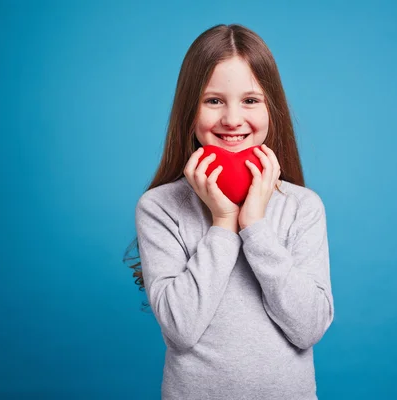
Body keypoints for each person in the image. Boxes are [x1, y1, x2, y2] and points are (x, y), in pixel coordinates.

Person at [125, 23, 334, 400]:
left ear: (273, 108)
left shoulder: (303, 206)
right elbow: (180, 329)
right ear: (190, 110)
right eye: (214, 100)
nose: (232, 119)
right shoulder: (159, 208)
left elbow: (309, 328)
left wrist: (254, 225)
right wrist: (223, 224)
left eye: (250, 100)